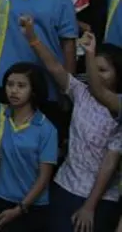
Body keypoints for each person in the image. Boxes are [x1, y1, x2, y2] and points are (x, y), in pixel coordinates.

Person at [19, 21, 122, 232]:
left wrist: (89, 207)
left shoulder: (118, 107)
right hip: (65, 184)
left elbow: (110, 164)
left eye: (104, 70)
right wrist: (33, 38)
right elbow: (54, 67)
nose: (97, 74)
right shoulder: (81, 93)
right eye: (94, 67)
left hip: (100, 198)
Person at [0, 56, 57, 232]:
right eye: (10, 84)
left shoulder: (46, 129)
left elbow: (44, 178)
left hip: (30, 206)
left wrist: (20, 209)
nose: (14, 91)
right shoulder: (1, 113)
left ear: (33, 90)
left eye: (21, 86)